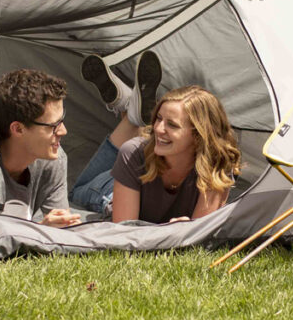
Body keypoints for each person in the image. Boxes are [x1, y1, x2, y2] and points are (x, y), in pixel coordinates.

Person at [71, 52, 241, 223]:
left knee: (136, 150)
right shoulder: (133, 152)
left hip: (132, 169)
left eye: (172, 125)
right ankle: (130, 113)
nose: (158, 128)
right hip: (109, 187)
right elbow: (125, 230)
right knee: (77, 193)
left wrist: (180, 231)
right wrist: (172, 232)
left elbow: (199, 230)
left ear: (199, 136)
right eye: (158, 118)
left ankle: (130, 110)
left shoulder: (218, 164)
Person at [0, 69, 81, 228]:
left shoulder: (54, 160)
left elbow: (64, 226)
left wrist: (58, 227)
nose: (63, 131)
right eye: (53, 126)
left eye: (62, 120)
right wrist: (39, 230)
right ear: (18, 129)